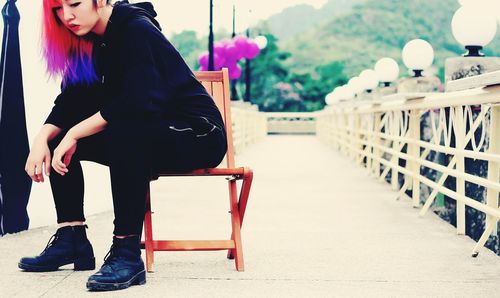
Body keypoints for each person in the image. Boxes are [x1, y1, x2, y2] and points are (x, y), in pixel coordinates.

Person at [18, 0, 227, 291]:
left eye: (75, 3)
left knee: (125, 129)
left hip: (198, 134)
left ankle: (127, 254)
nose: (67, 16)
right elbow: (71, 100)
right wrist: (42, 139)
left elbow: (136, 102)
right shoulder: (88, 40)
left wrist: (76, 132)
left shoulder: (135, 29)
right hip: (147, 132)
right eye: (57, 9)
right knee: (63, 140)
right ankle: (72, 237)